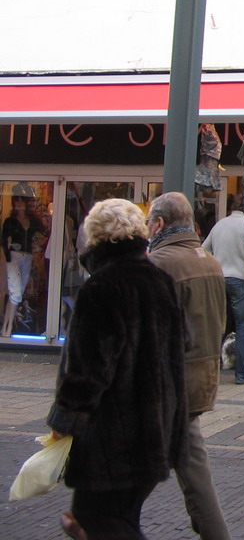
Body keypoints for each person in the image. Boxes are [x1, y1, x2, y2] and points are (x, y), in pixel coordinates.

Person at [47, 199, 189, 540]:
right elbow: (183, 346)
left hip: (112, 440)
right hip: (156, 431)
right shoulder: (160, 281)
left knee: (99, 520)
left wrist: (64, 422)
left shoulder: (101, 288)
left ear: (94, 237)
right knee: (114, 520)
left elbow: (89, 371)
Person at [147, 192, 233, 540]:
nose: (147, 228)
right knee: (192, 463)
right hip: (201, 378)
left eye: (149, 221)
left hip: (167, 381)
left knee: (127, 465)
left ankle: (100, 521)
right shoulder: (209, 261)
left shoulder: (158, 264)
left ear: (160, 223)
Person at [202, 194, 244, 385]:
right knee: (243, 327)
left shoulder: (219, 225)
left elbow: (204, 249)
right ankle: (242, 374)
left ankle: (211, 372)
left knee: (217, 326)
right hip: (239, 278)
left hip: (220, 277)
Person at [2, 183, 45, 337]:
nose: (19, 205)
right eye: (17, 202)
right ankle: (7, 330)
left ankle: (6, 327)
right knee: (16, 293)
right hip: (14, 257)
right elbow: (4, 242)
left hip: (28, 257)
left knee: (17, 292)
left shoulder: (33, 221)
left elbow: (44, 233)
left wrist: (37, 247)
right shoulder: (10, 221)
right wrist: (9, 255)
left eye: (22, 202)